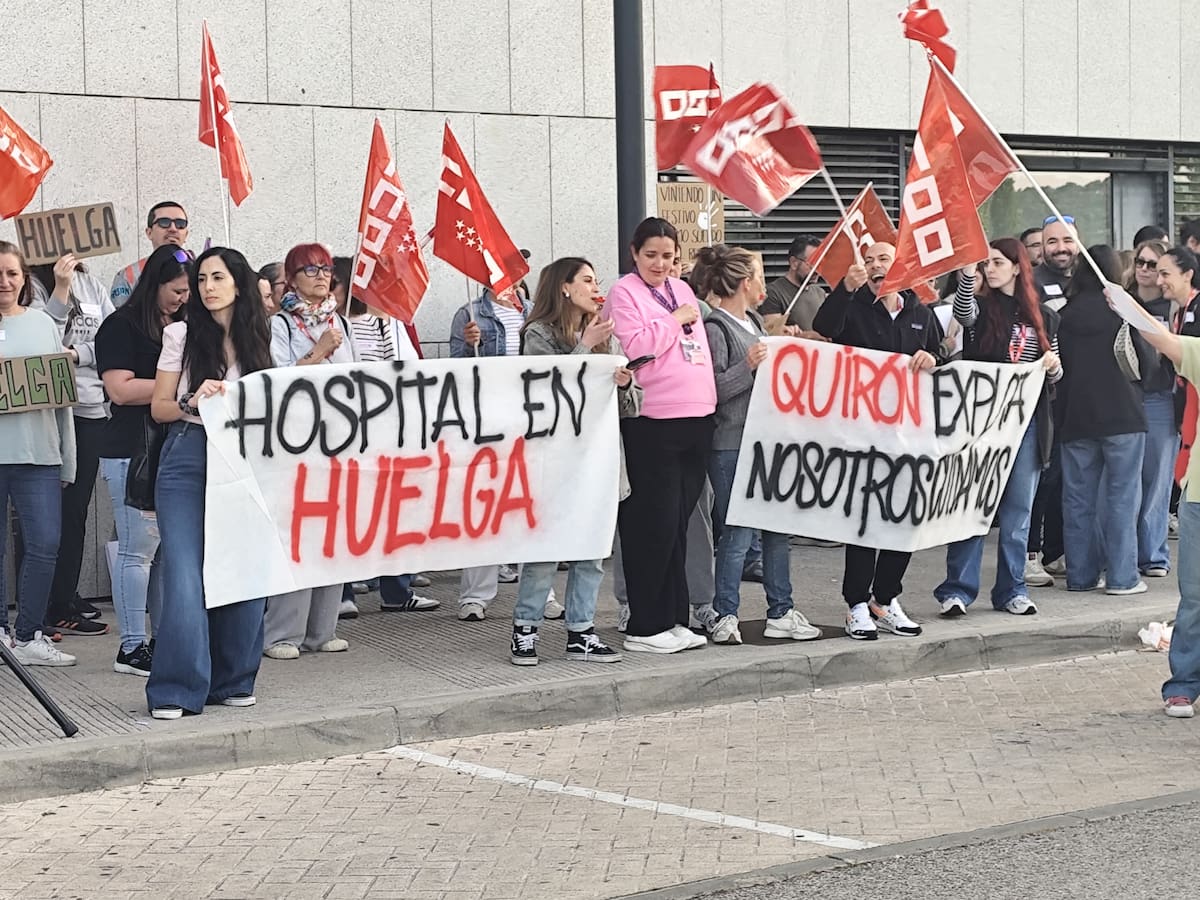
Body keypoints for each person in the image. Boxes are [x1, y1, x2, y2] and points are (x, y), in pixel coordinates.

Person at [147, 246, 272, 718]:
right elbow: (159, 407)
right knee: (183, 573)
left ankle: (234, 677)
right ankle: (175, 688)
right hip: (189, 452)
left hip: (245, 458)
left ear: (239, 282)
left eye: (217, 277)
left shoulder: (261, 335)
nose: (207, 287)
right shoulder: (180, 333)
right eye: (201, 279)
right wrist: (192, 402)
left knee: (244, 568)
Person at [509, 256, 636, 665]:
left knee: (591, 549)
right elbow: (546, 392)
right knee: (547, 547)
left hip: (598, 459)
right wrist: (584, 346)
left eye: (596, 280)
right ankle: (525, 628)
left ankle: (580, 631)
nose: (594, 286)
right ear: (564, 287)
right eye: (586, 279)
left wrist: (626, 383)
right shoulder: (538, 333)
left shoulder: (606, 336)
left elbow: (631, 408)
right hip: (553, 460)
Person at [813, 241, 942, 640]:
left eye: (884, 258)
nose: (875, 266)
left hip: (907, 435)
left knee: (902, 519)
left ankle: (885, 599)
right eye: (868, 260)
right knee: (866, 522)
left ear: (899, 264)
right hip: (863, 434)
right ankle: (855, 603)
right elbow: (824, 328)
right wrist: (844, 290)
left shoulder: (918, 311)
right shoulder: (852, 306)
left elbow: (940, 354)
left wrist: (933, 359)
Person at [933, 239, 1063, 618]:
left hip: (1025, 429)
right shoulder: (980, 309)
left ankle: (1012, 590)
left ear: (1018, 267)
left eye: (996, 263)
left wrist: (1053, 367)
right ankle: (957, 589)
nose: (990, 269)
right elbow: (963, 310)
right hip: (979, 427)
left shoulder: (1045, 317)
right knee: (973, 506)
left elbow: (1057, 371)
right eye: (985, 263)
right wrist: (967, 276)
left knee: (1018, 512)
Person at [607, 217, 716, 654]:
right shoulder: (623, 292)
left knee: (677, 525)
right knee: (650, 523)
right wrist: (674, 319)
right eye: (651, 255)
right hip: (653, 419)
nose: (660, 263)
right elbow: (637, 347)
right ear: (635, 253)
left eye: (668, 256)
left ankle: (673, 616)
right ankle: (644, 624)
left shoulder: (682, 288)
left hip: (696, 416)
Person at [701, 245, 820, 645]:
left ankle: (781, 610)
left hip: (766, 440)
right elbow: (712, 390)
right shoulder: (717, 329)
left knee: (776, 531)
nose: (764, 285)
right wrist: (747, 367)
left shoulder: (753, 320)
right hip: (733, 442)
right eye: (758, 276)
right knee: (737, 531)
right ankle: (725, 612)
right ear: (744, 283)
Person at [96, 244, 189, 676]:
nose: (183, 298)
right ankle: (131, 646)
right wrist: (175, 388)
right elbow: (119, 389)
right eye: (176, 289)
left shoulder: (186, 326)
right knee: (137, 550)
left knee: (167, 553)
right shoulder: (121, 326)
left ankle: (162, 637)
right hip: (129, 449)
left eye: (189, 290)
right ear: (155, 284)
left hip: (172, 446)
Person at [262, 243, 356, 660]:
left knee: (334, 534)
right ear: (292, 277)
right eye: (310, 269)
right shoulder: (279, 324)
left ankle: (322, 628)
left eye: (326, 268)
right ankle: (282, 633)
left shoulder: (342, 322)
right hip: (297, 441)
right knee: (298, 534)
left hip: (339, 439)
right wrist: (318, 351)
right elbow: (278, 380)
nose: (320, 275)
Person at [1056, 245, 1152, 596]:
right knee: (1123, 498)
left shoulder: (1064, 315)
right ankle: (1122, 577)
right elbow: (1147, 364)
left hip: (1076, 417)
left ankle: (1080, 576)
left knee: (1078, 499)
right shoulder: (1124, 312)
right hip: (1123, 415)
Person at [1121, 299, 1200, 716]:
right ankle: (1183, 685)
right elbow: (1162, 339)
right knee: (1195, 597)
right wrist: (1123, 298)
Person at [0, 242, 77, 666]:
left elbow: (61, 399)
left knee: (45, 543)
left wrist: (68, 458)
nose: (4, 282)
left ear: (24, 278)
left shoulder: (43, 324)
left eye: (12, 273)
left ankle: (28, 635)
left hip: (39, 455)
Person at [31, 254, 115, 636]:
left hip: (90, 409)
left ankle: (64, 593)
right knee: (50, 513)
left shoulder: (93, 285)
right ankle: (52, 602)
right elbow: (40, 341)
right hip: (49, 412)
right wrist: (60, 287)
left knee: (76, 509)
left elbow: (113, 340)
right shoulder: (31, 286)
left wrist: (78, 354)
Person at [449, 284, 529, 620]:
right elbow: (454, 369)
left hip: (528, 418)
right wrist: (470, 347)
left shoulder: (535, 312)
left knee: (529, 505)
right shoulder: (469, 313)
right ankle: (476, 593)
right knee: (481, 502)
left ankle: (539, 591)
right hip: (486, 419)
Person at [1027, 215, 1081, 581]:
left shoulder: (1089, 282)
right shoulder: (1030, 285)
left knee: (1066, 478)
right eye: (1052, 242)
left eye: (1067, 240)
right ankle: (1030, 552)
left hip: (1080, 398)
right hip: (1043, 397)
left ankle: (1056, 552)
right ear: (1041, 247)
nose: (1060, 248)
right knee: (1041, 479)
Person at [1127, 240, 1175, 578]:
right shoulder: (1119, 300)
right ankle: (1124, 551)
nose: (1145, 270)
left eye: (1153, 265)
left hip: (1160, 396)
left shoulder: (1174, 307)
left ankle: (1153, 554)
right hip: (1125, 395)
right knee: (1125, 478)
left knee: (1157, 479)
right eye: (1141, 262)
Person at [110, 202, 190, 306]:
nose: (173, 229)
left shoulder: (200, 271)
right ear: (149, 233)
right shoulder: (128, 275)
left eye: (180, 224)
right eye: (164, 222)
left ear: (186, 233)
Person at [758, 234, 826, 335]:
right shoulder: (773, 293)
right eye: (812, 263)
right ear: (794, 262)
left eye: (820, 263)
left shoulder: (820, 293)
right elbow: (773, 333)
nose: (816, 269)